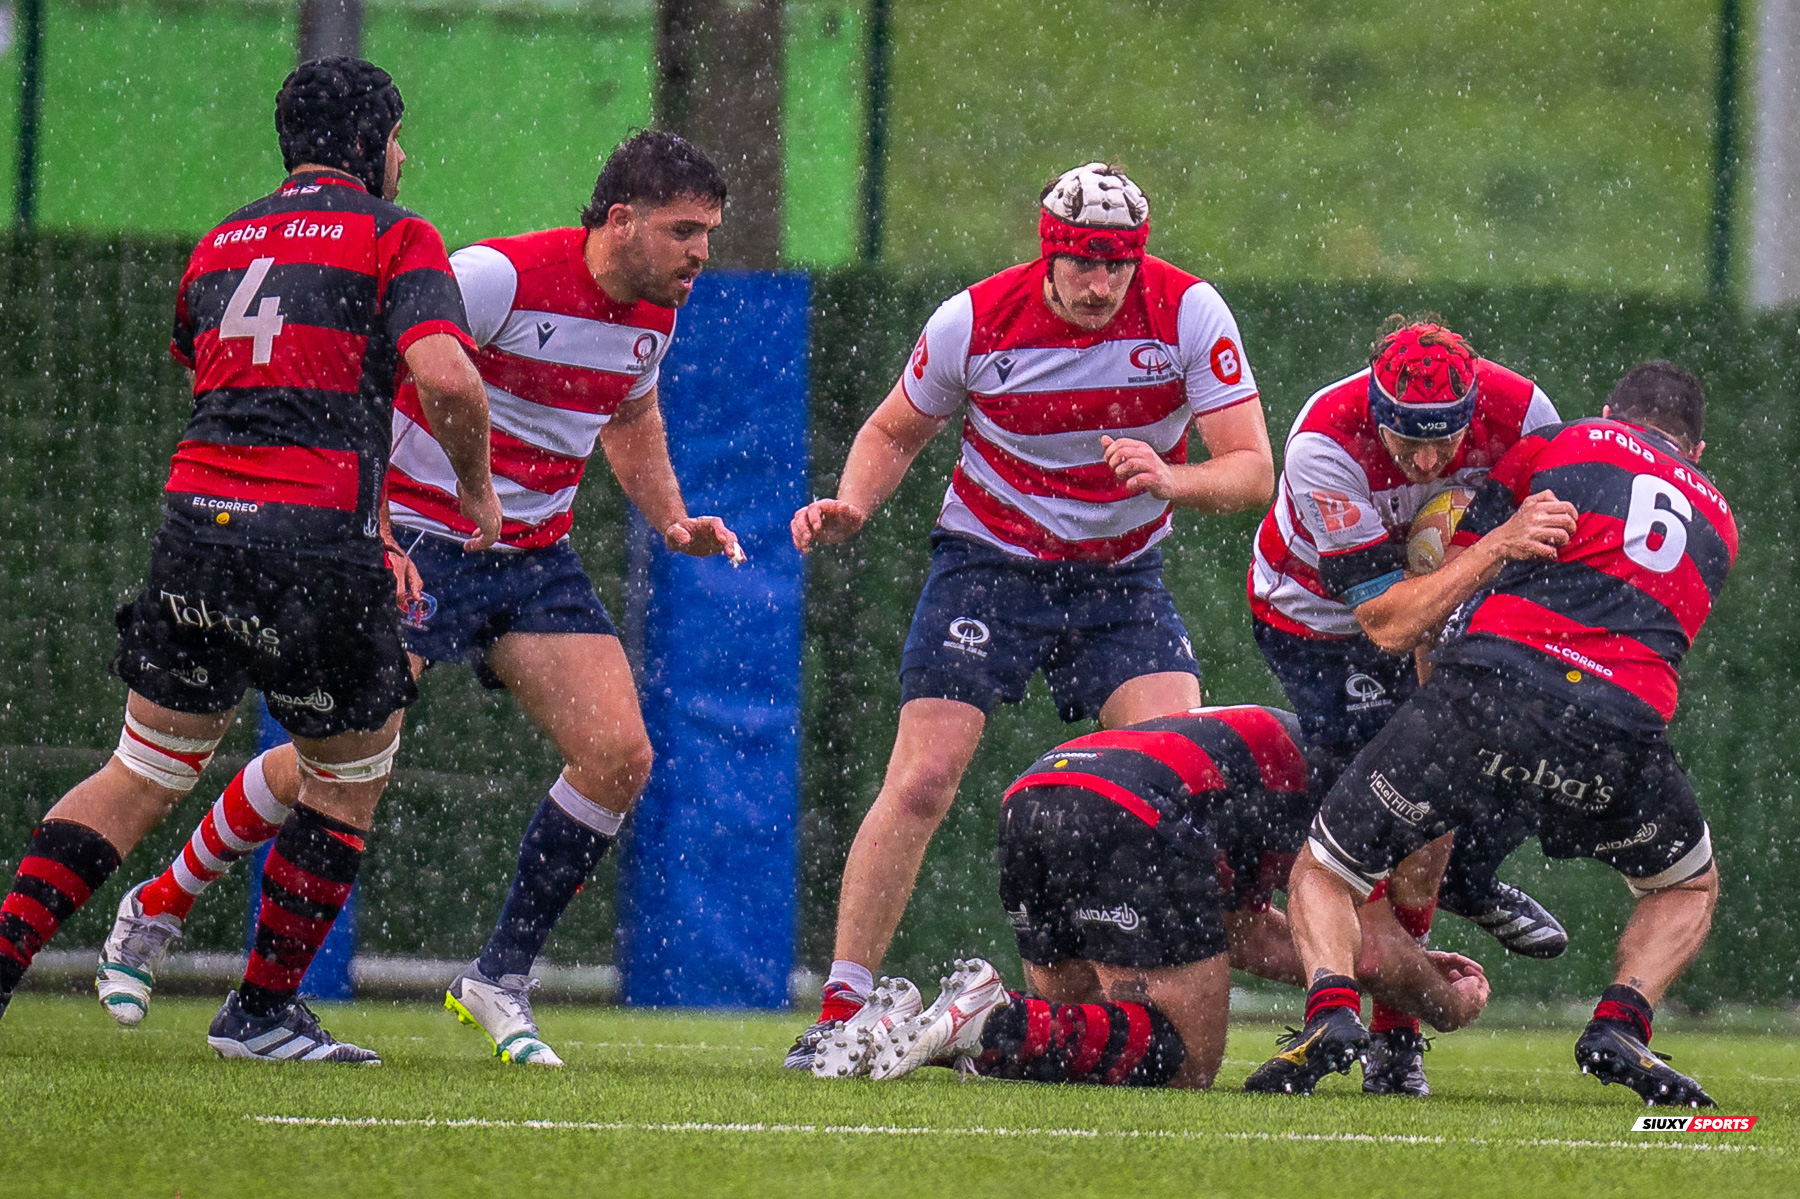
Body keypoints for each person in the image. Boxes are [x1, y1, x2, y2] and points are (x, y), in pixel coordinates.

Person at [94, 129, 741, 1067]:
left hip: (534, 557)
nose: (701, 255)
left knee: (618, 754)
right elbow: (373, 383)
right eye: (686, 231)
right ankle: (164, 900)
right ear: (621, 219)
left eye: (711, 234)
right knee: (336, 768)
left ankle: (499, 976)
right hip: (418, 547)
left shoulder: (657, 309)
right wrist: (379, 528)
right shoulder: (493, 277)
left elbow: (630, 414)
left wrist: (674, 520)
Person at [0, 58, 501, 1062]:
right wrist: (476, 492)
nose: (404, 155)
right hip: (313, 547)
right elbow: (445, 374)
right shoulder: (394, 233)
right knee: (346, 776)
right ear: (368, 141)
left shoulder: (221, 241)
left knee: (142, 767)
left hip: (196, 531)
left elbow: (232, 382)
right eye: (397, 136)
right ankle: (262, 1009)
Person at [784, 163, 1275, 1067]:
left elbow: (1251, 468)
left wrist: (1174, 477)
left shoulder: (1187, 313)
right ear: (1048, 253)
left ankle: (1181, 990)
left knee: (1174, 792)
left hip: (1122, 582)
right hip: (989, 567)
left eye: (1117, 265)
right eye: (1083, 264)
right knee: (925, 776)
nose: (1100, 285)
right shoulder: (975, 320)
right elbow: (894, 429)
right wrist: (854, 502)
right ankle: (840, 1005)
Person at [1251, 362, 1731, 1106]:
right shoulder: (1721, 522)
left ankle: (1332, 1012)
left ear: (1606, 410)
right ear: (1694, 452)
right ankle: (1621, 1019)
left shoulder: (1559, 443)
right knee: (1687, 884)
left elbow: (1452, 586)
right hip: (1621, 726)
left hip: (1494, 690)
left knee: (1325, 867)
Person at [810, 705, 1489, 1089]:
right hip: (1130, 809)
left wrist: (1380, 962)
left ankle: (930, 1026)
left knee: (1081, 1043)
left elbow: (1249, 935)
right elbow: (1368, 955)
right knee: (1186, 1062)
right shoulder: (1362, 796)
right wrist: (1443, 998)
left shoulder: (1279, 757)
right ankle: (995, 1018)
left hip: (1037, 792)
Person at [1246, 315, 1570, 1093]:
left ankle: (1400, 1023)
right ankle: (1374, 1017)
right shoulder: (1324, 437)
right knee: (1379, 822)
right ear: (1374, 405)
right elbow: (1385, 623)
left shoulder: (1525, 414)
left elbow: (1548, 532)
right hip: (1318, 626)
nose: (1426, 460)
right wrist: (1493, 544)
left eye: (1444, 441)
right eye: (1405, 442)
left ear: (1474, 403)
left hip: (1445, 604)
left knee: (1496, 767)